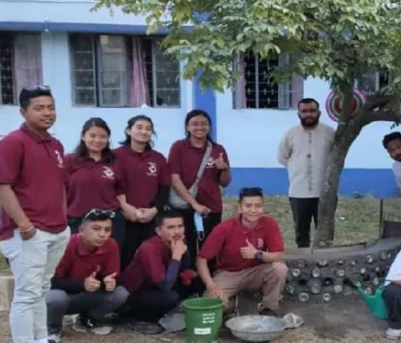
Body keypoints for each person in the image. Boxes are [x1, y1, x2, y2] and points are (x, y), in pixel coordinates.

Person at [0, 86, 70, 343]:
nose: (47, 113)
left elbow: (59, 185)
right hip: (28, 232)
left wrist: (63, 219)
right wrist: (24, 224)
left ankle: (40, 338)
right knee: (27, 293)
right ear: (23, 112)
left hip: (57, 230)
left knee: (41, 289)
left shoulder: (56, 144)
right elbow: (2, 186)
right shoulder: (13, 143)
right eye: (39, 108)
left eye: (51, 107)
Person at [197, 187, 288, 316]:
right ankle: (232, 305)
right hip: (229, 274)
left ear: (263, 207)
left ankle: (269, 308)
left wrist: (257, 253)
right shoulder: (224, 228)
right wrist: (210, 284)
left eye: (258, 206)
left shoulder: (269, 223)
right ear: (240, 208)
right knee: (212, 303)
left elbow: (278, 255)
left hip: (256, 271)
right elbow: (202, 258)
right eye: (248, 206)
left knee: (279, 268)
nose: (253, 210)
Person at [46, 209, 129, 341]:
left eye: (107, 230)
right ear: (81, 230)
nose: (103, 234)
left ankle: (87, 319)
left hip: (87, 295)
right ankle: (53, 327)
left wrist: (108, 283)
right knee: (55, 297)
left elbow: (111, 275)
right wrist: (81, 284)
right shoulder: (67, 244)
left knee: (121, 293)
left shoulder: (111, 245)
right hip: (65, 296)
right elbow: (51, 281)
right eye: (96, 229)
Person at [120, 209, 204, 334]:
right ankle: (147, 318)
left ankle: (179, 309)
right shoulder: (149, 248)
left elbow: (185, 268)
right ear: (159, 231)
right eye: (170, 227)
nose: (177, 231)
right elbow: (164, 285)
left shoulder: (179, 240)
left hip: (163, 284)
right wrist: (176, 256)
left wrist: (184, 258)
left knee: (199, 280)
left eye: (180, 226)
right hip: (137, 295)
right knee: (171, 297)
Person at [168, 109, 231, 255]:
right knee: (185, 248)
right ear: (187, 127)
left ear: (209, 126)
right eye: (195, 124)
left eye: (204, 124)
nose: (200, 127)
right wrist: (194, 204)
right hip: (184, 206)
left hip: (211, 207)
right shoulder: (178, 147)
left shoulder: (217, 149)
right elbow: (175, 179)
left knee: (209, 248)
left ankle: (208, 276)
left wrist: (224, 169)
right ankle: (188, 276)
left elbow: (225, 182)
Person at [114, 115, 171, 269]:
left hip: (150, 217)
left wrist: (154, 210)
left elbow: (165, 188)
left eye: (148, 128)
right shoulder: (115, 156)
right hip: (123, 217)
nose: (144, 131)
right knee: (122, 257)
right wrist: (124, 207)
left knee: (150, 258)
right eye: (139, 127)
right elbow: (110, 185)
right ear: (128, 130)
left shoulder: (158, 158)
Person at [277, 98, 335, 248]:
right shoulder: (291, 134)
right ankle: (304, 265)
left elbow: (337, 158)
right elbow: (282, 157)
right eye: (304, 111)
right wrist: (297, 168)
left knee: (324, 232)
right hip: (298, 192)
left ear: (319, 113)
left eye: (312, 111)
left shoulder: (329, 133)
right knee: (301, 232)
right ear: (298, 114)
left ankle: (324, 262)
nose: (308, 114)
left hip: (324, 192)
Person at [64, 118, 127, 247]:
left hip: (110, 222)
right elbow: (60, 191)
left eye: (103, 137)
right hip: (77, 221)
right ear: (83, 136)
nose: (97, 140)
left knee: (110, 262)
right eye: (92, 136)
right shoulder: (70, 161)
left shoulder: (114, 162)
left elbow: (120, 191)